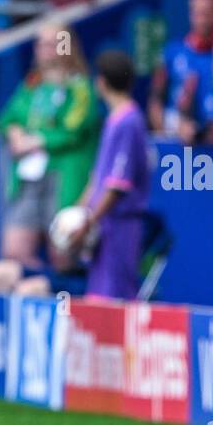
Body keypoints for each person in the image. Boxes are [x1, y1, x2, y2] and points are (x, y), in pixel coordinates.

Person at [0, 25, 100, 269]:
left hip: (64, 178)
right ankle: (35, 289)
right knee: (13, 251)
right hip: (29, 179)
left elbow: (73, 130)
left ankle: (59, 296)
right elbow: (9, 117)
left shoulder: (80, 87)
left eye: (51, 43)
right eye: (40, 43)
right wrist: (15, 134)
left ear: (66, 46)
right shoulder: (33, 83)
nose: (43, 49)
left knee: (63, 255)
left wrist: (34, 140)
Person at [68, 50, 151, 301]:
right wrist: (78, 212)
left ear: (101, 83)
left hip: (121, 225)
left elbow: (116, 186)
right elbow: (99, 178)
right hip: (104, 227)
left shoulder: (129, 121)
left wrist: (88, 220)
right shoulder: (114, 120)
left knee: (117, 298)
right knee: (97, 296)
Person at [148, 0, 213, 133]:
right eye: (197, 13)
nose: (201, 20)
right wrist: (167, 134)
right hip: (177, 144)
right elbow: (155, 102)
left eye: (207, 13)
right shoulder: (171, 53)